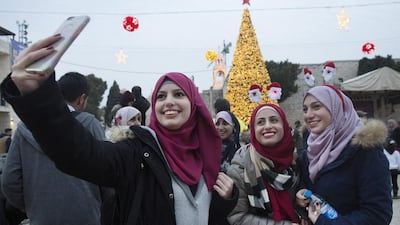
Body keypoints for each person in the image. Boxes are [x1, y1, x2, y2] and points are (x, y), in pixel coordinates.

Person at [0, 34, 238, 225]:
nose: (169, 102)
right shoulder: (136, 153)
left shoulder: (205, 155)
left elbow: (203, 213)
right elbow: (81, 154)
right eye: (161, 96)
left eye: (179, 94)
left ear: (194, 105)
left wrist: (225, 199)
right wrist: (39, 96)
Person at [1, 72, 110, 225]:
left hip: (41, 218)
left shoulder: (23, 129)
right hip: (86, 217)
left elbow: (9, 181)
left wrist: (33, 207)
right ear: (82, 99)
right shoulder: (90, 124)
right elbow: (106, 174)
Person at [296, 85, 392, 225]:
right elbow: (314, 196)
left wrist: (325, 223)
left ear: (336, 108)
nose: (309, 115)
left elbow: (377, 215)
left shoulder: (365, 151)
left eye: (316, 107)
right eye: (305, 109)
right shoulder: (310, 150)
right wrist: (302, 196)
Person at [227, 103, 301, 225]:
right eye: (260, 122)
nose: (267, 126)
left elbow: (299, 201)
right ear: (253, 130)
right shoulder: (241, 166)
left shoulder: (295, 161)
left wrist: (301, 214)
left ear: (284, 125)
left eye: (274, 120)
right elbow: (237, 218)